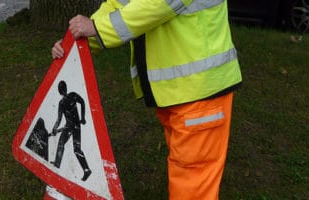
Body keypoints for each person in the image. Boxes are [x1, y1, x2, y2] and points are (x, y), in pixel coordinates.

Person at [52, 0, 242, 199]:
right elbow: (120, 4)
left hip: (201, 91)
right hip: (179, 91)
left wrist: (98, 28)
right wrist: (76, 41)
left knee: (193, 179)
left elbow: (157, 5)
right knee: (185, 167)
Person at [50, 80, 92, 182]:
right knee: (67, 145)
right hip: (72, 126)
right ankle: (58, 164)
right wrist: (82, 118)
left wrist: (55, 128)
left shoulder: (63, 102)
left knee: (70, 147)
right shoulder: (71, 96)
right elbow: (82, 102)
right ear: (65, 88)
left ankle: (86, 170)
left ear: (59, 91)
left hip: (72, 126)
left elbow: (59, 119)